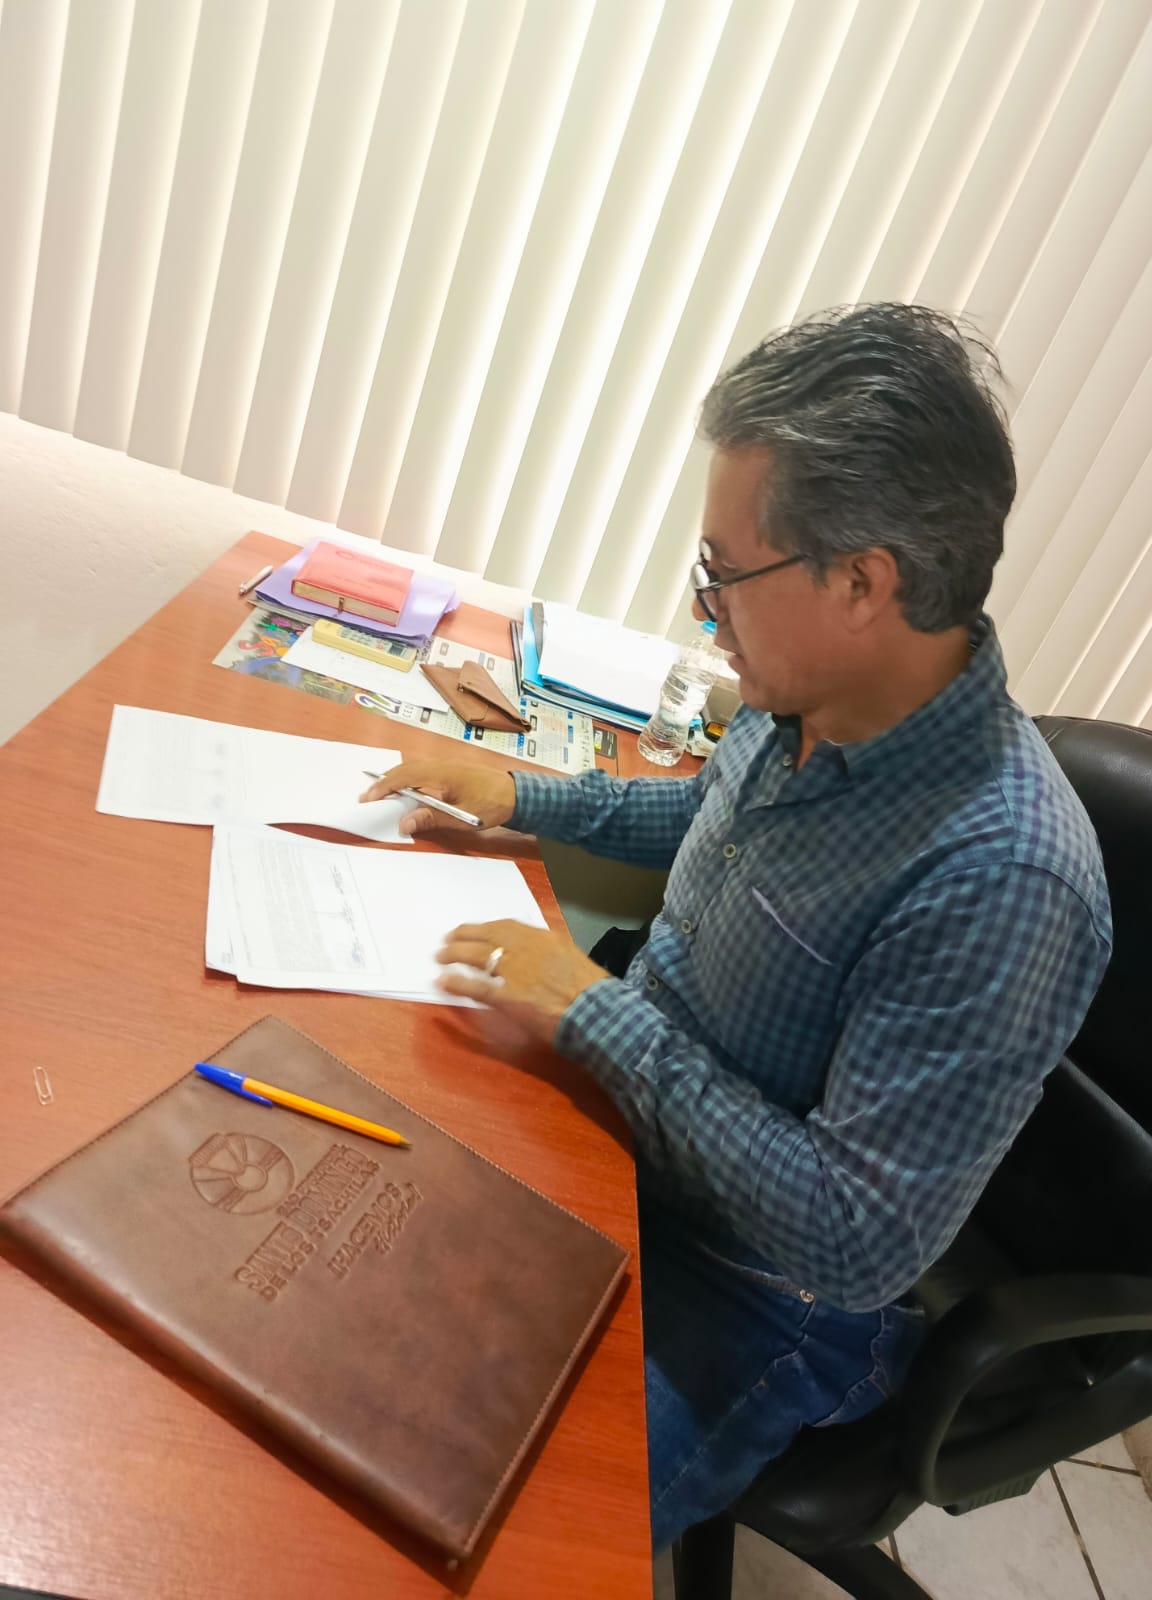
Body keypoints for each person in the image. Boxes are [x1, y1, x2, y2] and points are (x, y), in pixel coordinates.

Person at [361, 304, 1112, 1551]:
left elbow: (851, 1238)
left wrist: (587, 1007)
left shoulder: (1005, 879)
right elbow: (706, 818)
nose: (706, 612)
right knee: (339, 1274)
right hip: (628, 1122)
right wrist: (520, 795)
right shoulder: (806, 689)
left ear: (862, 582)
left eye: (724, 574)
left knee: (482, 1526)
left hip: (757, 1286)